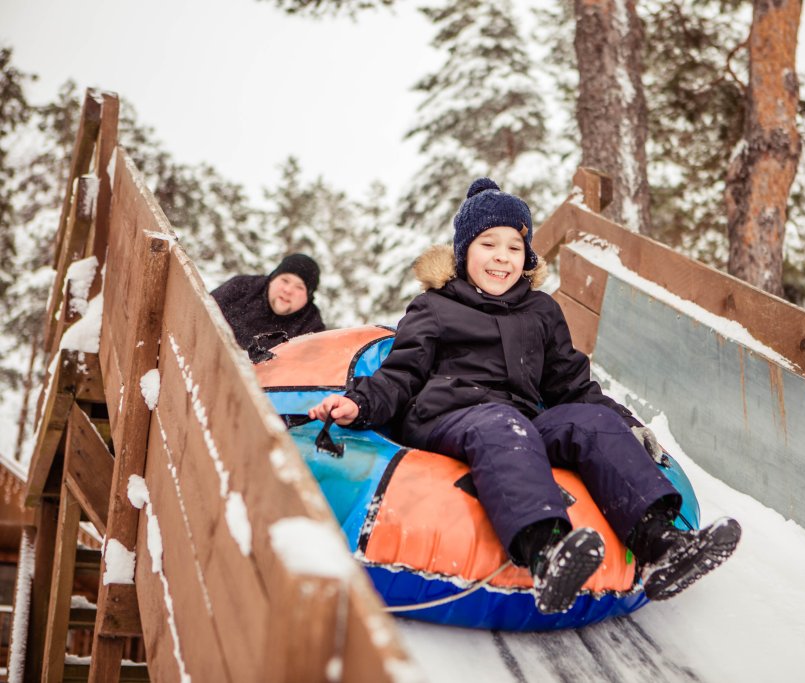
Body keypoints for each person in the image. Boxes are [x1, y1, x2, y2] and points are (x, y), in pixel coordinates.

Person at [309, 178, 740, 614]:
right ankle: (547, 553)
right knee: (503, 425)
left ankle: (660, 546)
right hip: (447, 416)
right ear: (463, 253)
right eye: (488, 244)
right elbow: (400, 374)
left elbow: (572, 385)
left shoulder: (541, 312)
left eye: (514, 247)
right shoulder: (435, 307)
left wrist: (626, 422)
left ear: (527, 255)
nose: (502, 258)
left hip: (518, 419)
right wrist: (360, 403)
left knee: (589, 422)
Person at [211, 253, 326, 357]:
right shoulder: (241, 287)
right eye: (285, 280)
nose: (288, 290)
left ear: (308, 297)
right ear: (272, 279)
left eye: (299, 287)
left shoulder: (312, 330)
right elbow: (201, 314)